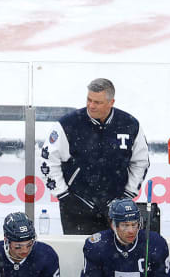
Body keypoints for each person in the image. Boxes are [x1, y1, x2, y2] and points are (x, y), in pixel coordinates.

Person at [38, 78, 151, 234]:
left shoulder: (130, 124)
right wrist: (64, 196)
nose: (91, 105)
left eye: (97, 102)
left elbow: (141, 162)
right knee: (78, 254)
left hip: (116, 209)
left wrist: (127, 195)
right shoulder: (68, 124)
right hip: (76, 207)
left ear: (111, 102)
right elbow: (47, 161)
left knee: (115, 255)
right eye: (89, 100)